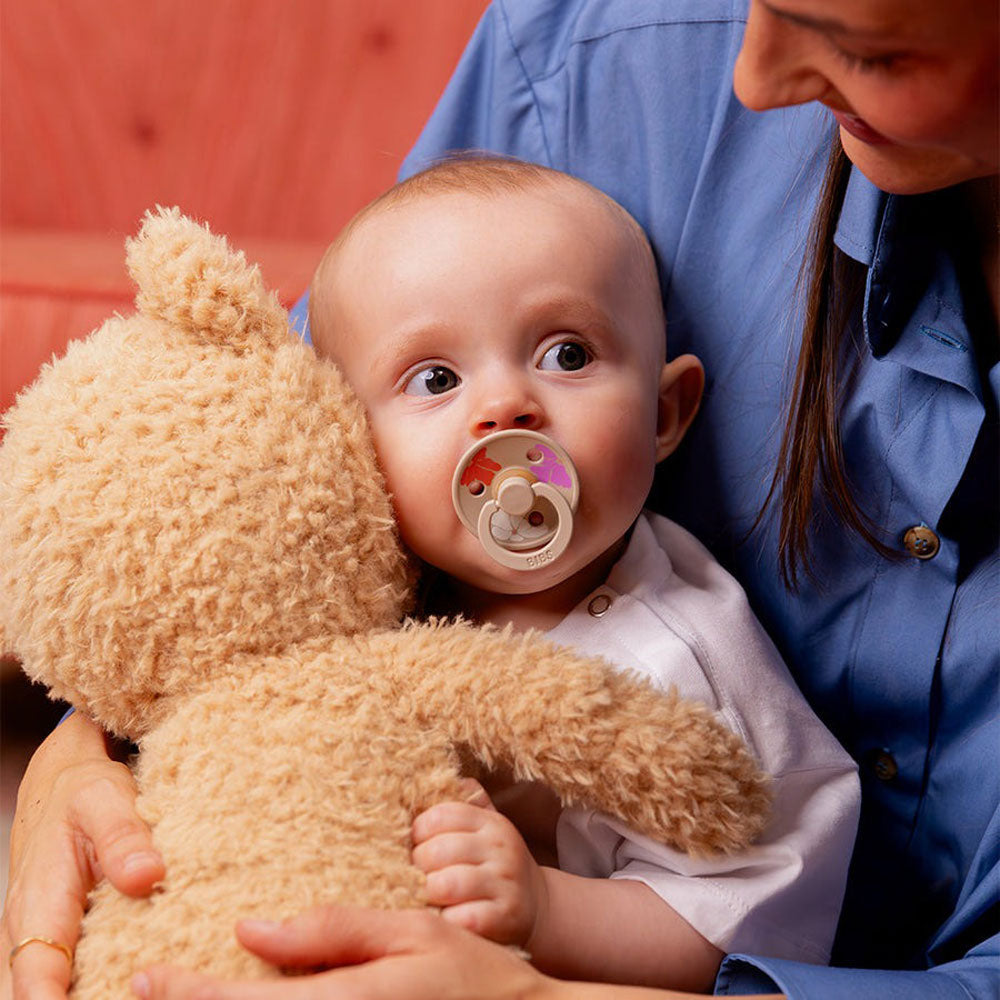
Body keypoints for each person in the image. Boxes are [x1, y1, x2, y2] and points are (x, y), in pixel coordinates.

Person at [3, 0, 997, 996]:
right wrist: (95, 738)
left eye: (566, 353)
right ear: (343, 436)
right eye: (434, 381)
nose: (506, 405)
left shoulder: (679, 660)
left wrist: (547, 913)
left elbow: (753, 909)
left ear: (666, 412)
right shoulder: (348, 588)